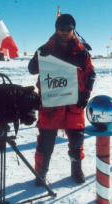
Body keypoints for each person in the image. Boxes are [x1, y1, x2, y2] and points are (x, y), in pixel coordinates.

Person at [28, 14, 96, 186]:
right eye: (62, 29)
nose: (65, 32)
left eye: (69, 29)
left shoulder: (82, 52)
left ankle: (76, 170)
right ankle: (41, 173)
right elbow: (32, 69)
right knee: (45, 144)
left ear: (73, 30)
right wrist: (38, 56)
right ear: (56, 29)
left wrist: (86, 95)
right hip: (51, 106)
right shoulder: (46, 49)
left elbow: (91, 74)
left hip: (74, 106)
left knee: (76, 143)